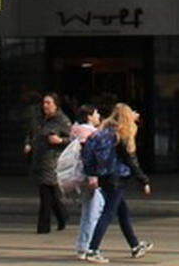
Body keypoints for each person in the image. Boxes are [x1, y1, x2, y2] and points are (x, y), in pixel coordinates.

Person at [82, 103, 154, 264]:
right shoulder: (122, 134)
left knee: (123, 211)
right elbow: (131, 161)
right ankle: (93, 249)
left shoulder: (105, 130)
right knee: (108, 213)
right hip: (118, 178)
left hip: (104, 176)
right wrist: (143, 180)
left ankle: (135, 245)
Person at [26, 92, 71, 234]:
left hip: (52, 161)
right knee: (50, 193)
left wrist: (60, 141)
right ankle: (62, 215)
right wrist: (28, 144)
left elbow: (72, 139)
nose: (45, 105)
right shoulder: (39, 119)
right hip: (38, 159)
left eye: (48, 103)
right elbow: (31, 134)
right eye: (44, 103)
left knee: (45, 193)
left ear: (56, 105)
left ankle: (43, 227)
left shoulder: (62, 120)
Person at [70, 105, 105, 260]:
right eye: (96, 114)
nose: (98, 116)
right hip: (89, 176)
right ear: (89, 116)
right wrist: (93, 175)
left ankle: (83, 244)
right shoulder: (89, 133)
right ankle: (84, 246)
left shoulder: (76, 130)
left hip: (81, 175)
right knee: (92, 211)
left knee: (93, 207)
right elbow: (90, 156)